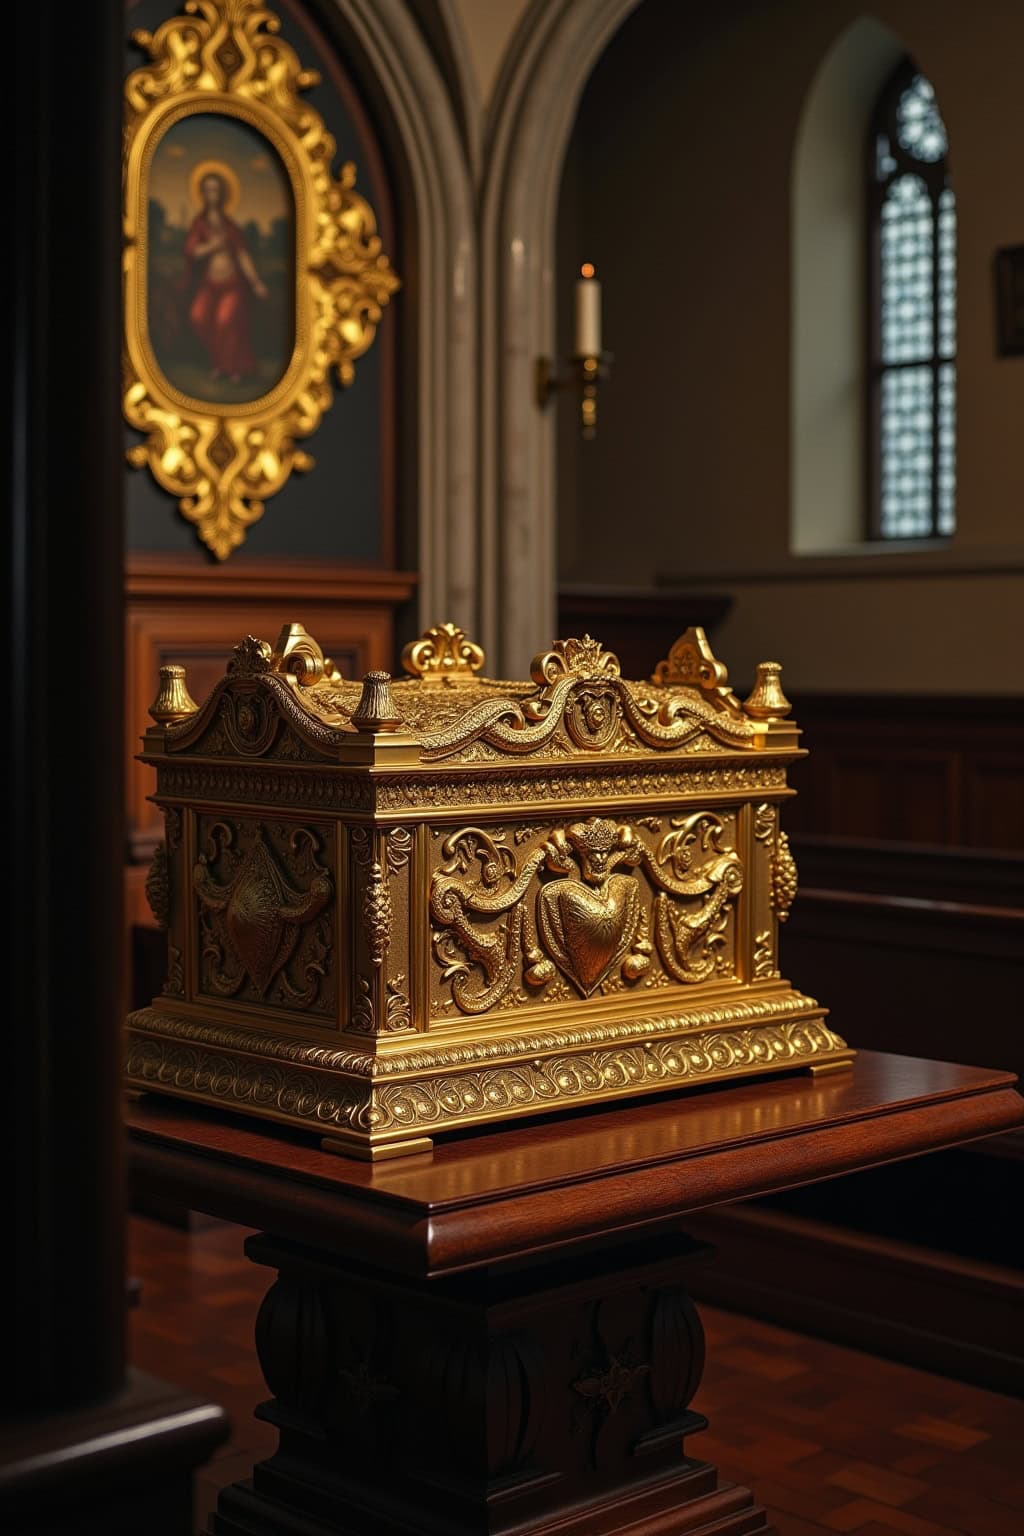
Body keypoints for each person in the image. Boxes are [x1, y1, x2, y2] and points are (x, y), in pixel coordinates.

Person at [182, 171, 268, 383]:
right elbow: (191, 250)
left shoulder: (230, 226)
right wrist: (211, 246)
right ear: (202, 193)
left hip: (232, 284)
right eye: (208, 189)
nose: (212, 194)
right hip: (209, 283)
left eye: (216, 190)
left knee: (225, 321)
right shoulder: (200, 223)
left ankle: (233, 368)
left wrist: (255, 282)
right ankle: (220, 363)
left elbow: (242, 255)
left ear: (222, 194)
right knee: (198, 317)